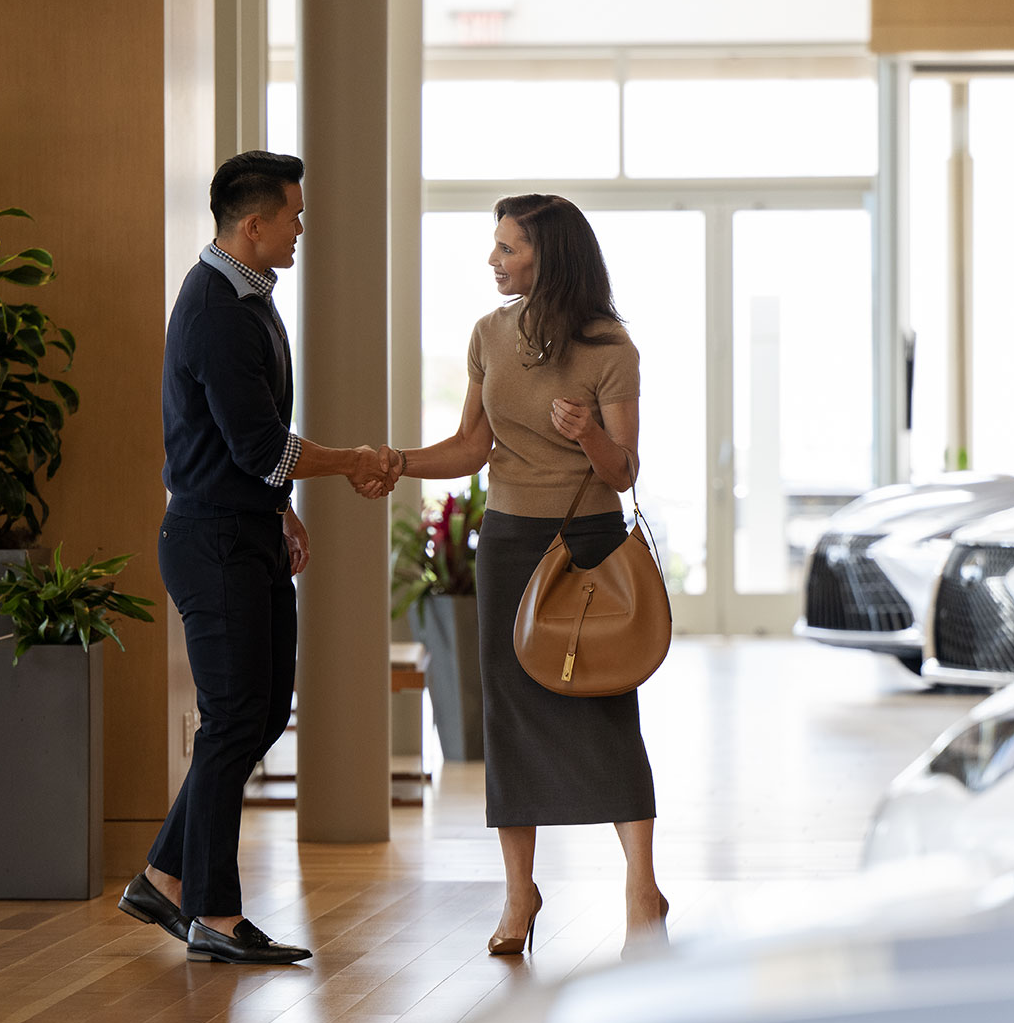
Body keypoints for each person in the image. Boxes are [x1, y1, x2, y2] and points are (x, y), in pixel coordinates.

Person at [118, 150, 398, 965]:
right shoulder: (217, 308)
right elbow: (258, 446)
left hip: (245, 532)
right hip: (212, 542)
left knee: (262, 712)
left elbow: (255, 455)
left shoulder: (248, 298)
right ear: (254, 224)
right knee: (237, 716)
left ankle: (165, 877)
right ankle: (212, 909)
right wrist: (348, 462)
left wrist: (282, 511)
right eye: (294, 215)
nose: (301, 226)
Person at [378, 194, 667, 958]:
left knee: (604, 703)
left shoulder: (611, 349)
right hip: (508, 543)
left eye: (508, 248)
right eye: (495, 245)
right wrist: (397, 463)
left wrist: (590, 436)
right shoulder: (488, 335)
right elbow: (471, 447)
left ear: (549, 257)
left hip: (590, 543)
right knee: (510, 714)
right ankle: (519, 893)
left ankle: (642, 884)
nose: (494, 259)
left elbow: (626, 468)